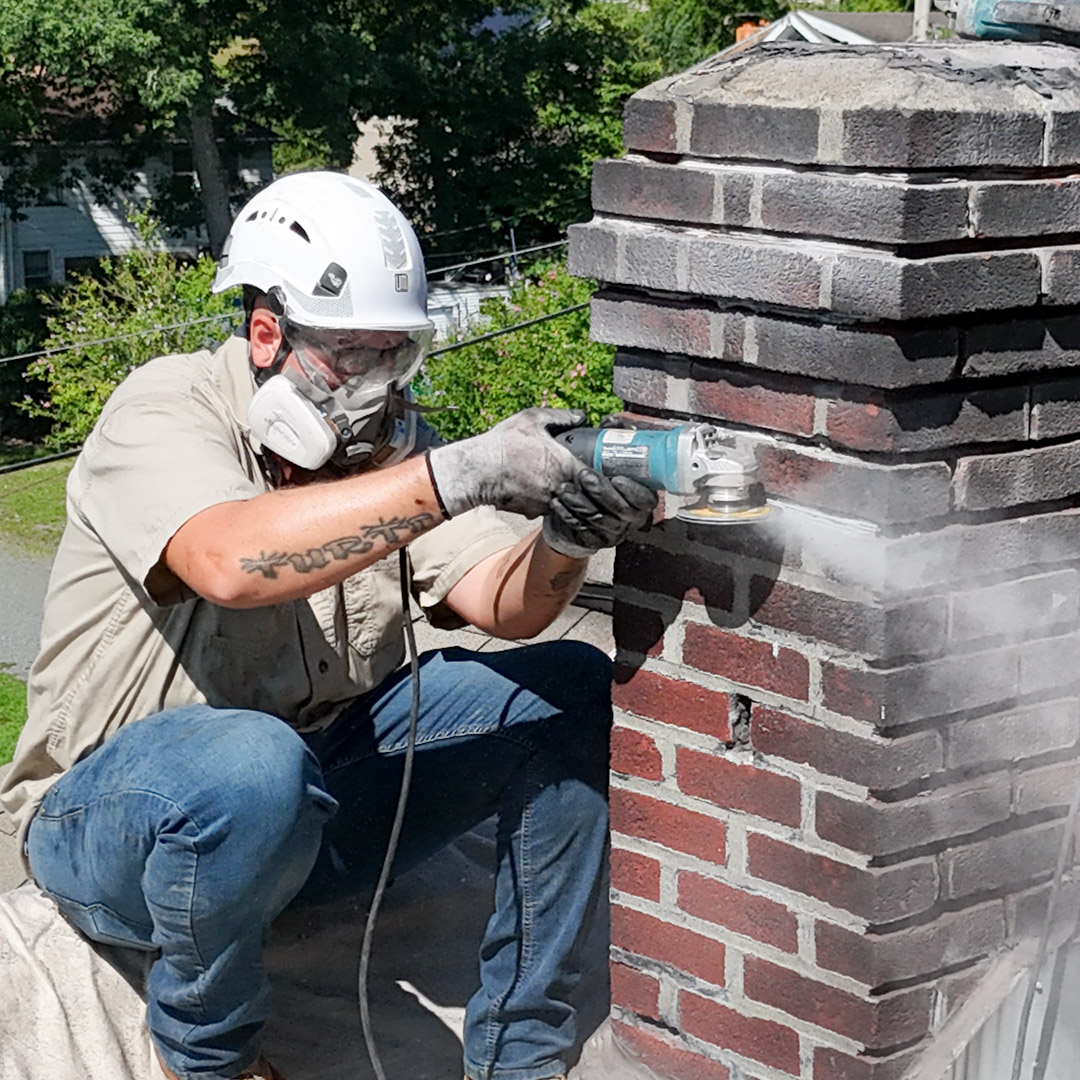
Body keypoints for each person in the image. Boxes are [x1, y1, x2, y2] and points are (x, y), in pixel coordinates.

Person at [0, 171, 656, 1080]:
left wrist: (563, 540)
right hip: (115, 825)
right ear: (268, 334)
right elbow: (228, 564)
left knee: (568, 692)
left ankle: (523, 1054)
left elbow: (508, 606)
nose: (376, 387)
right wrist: (457, 475)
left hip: (311, 796)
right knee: (249, 765)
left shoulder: (387, 453)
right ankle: (209, 1059)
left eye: (397, 357)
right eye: (354, 357)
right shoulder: (166, 407)